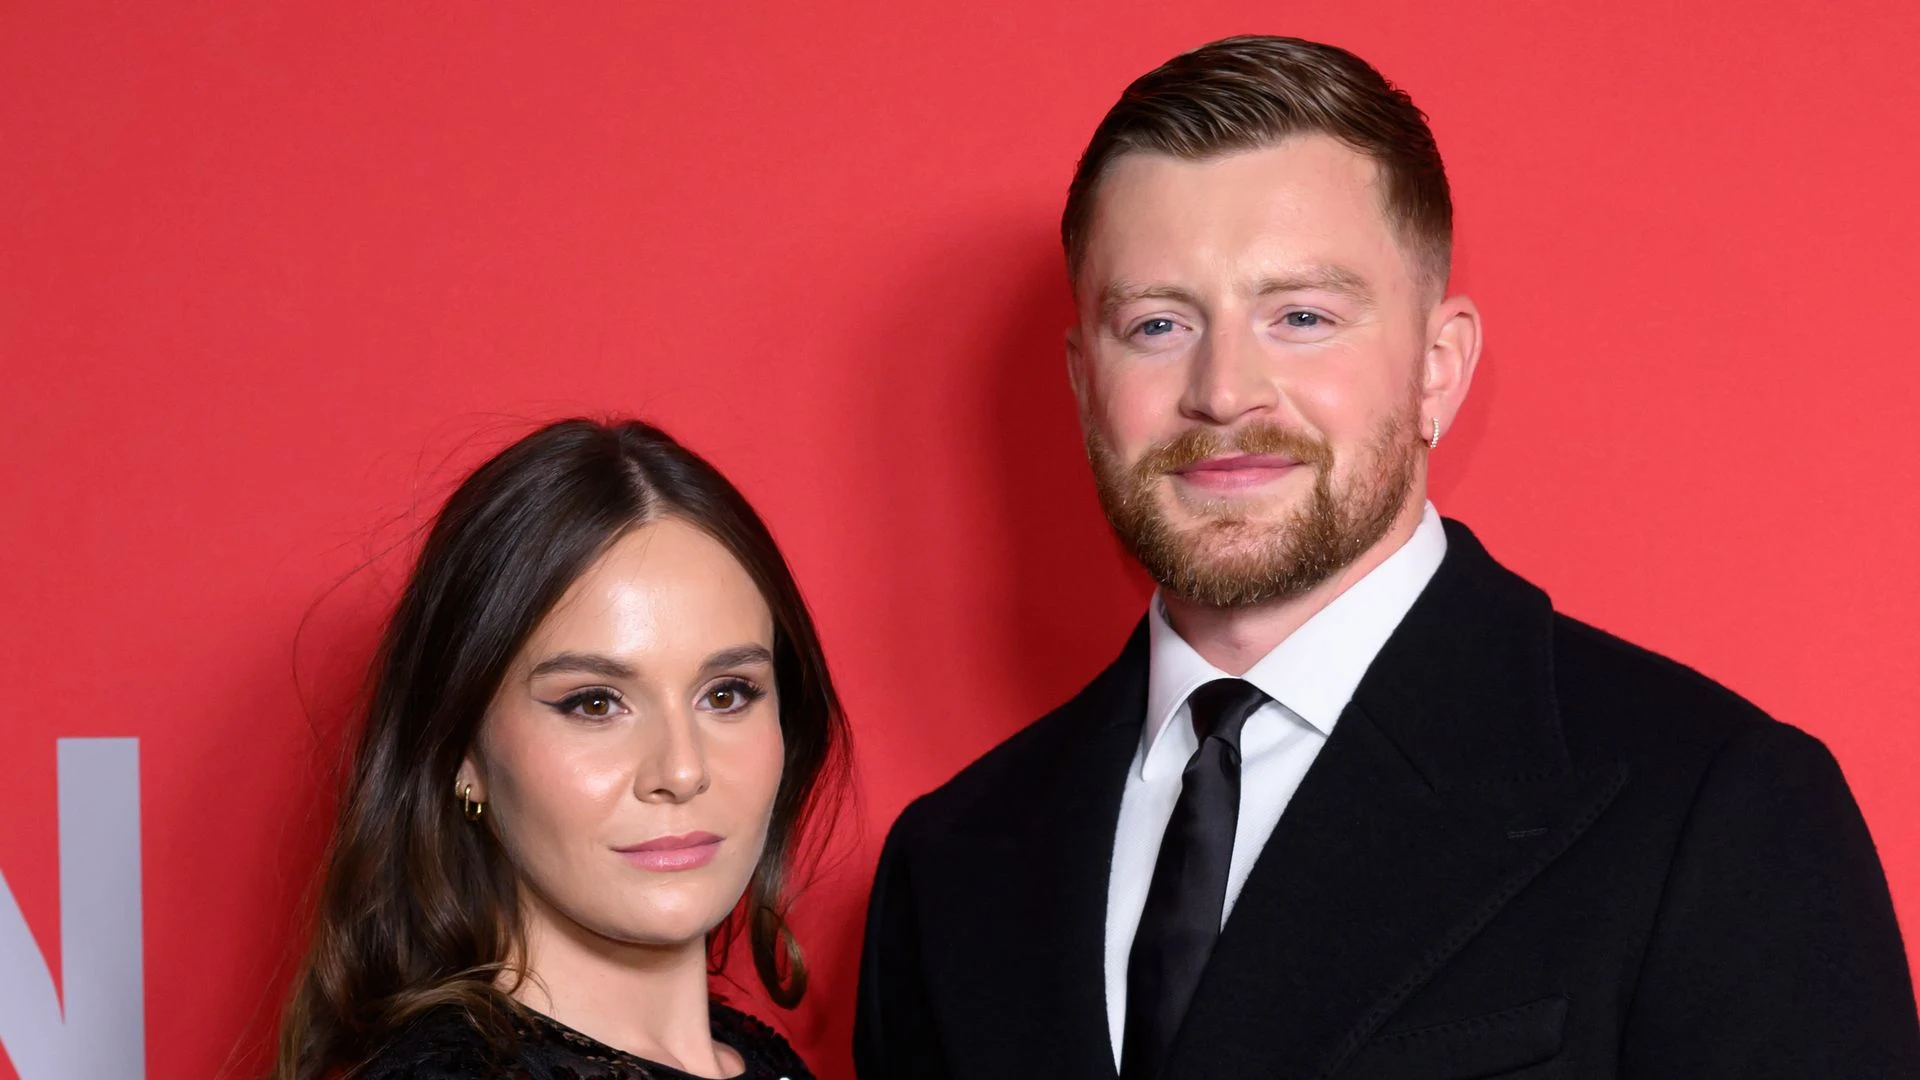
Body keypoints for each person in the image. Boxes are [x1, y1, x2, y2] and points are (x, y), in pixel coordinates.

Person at [855, 35, 1919, 1080]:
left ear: (1437, 370)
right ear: (1085, 385)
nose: (1225, 390)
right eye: (1158, 325)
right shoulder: (951, 862)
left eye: (1303, 316)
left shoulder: (1715, 810)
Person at [274, 418, 847, 1080]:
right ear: (463, 750)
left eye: (726, 695)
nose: (682, 771)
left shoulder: (758, 1060)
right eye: (595, 703)